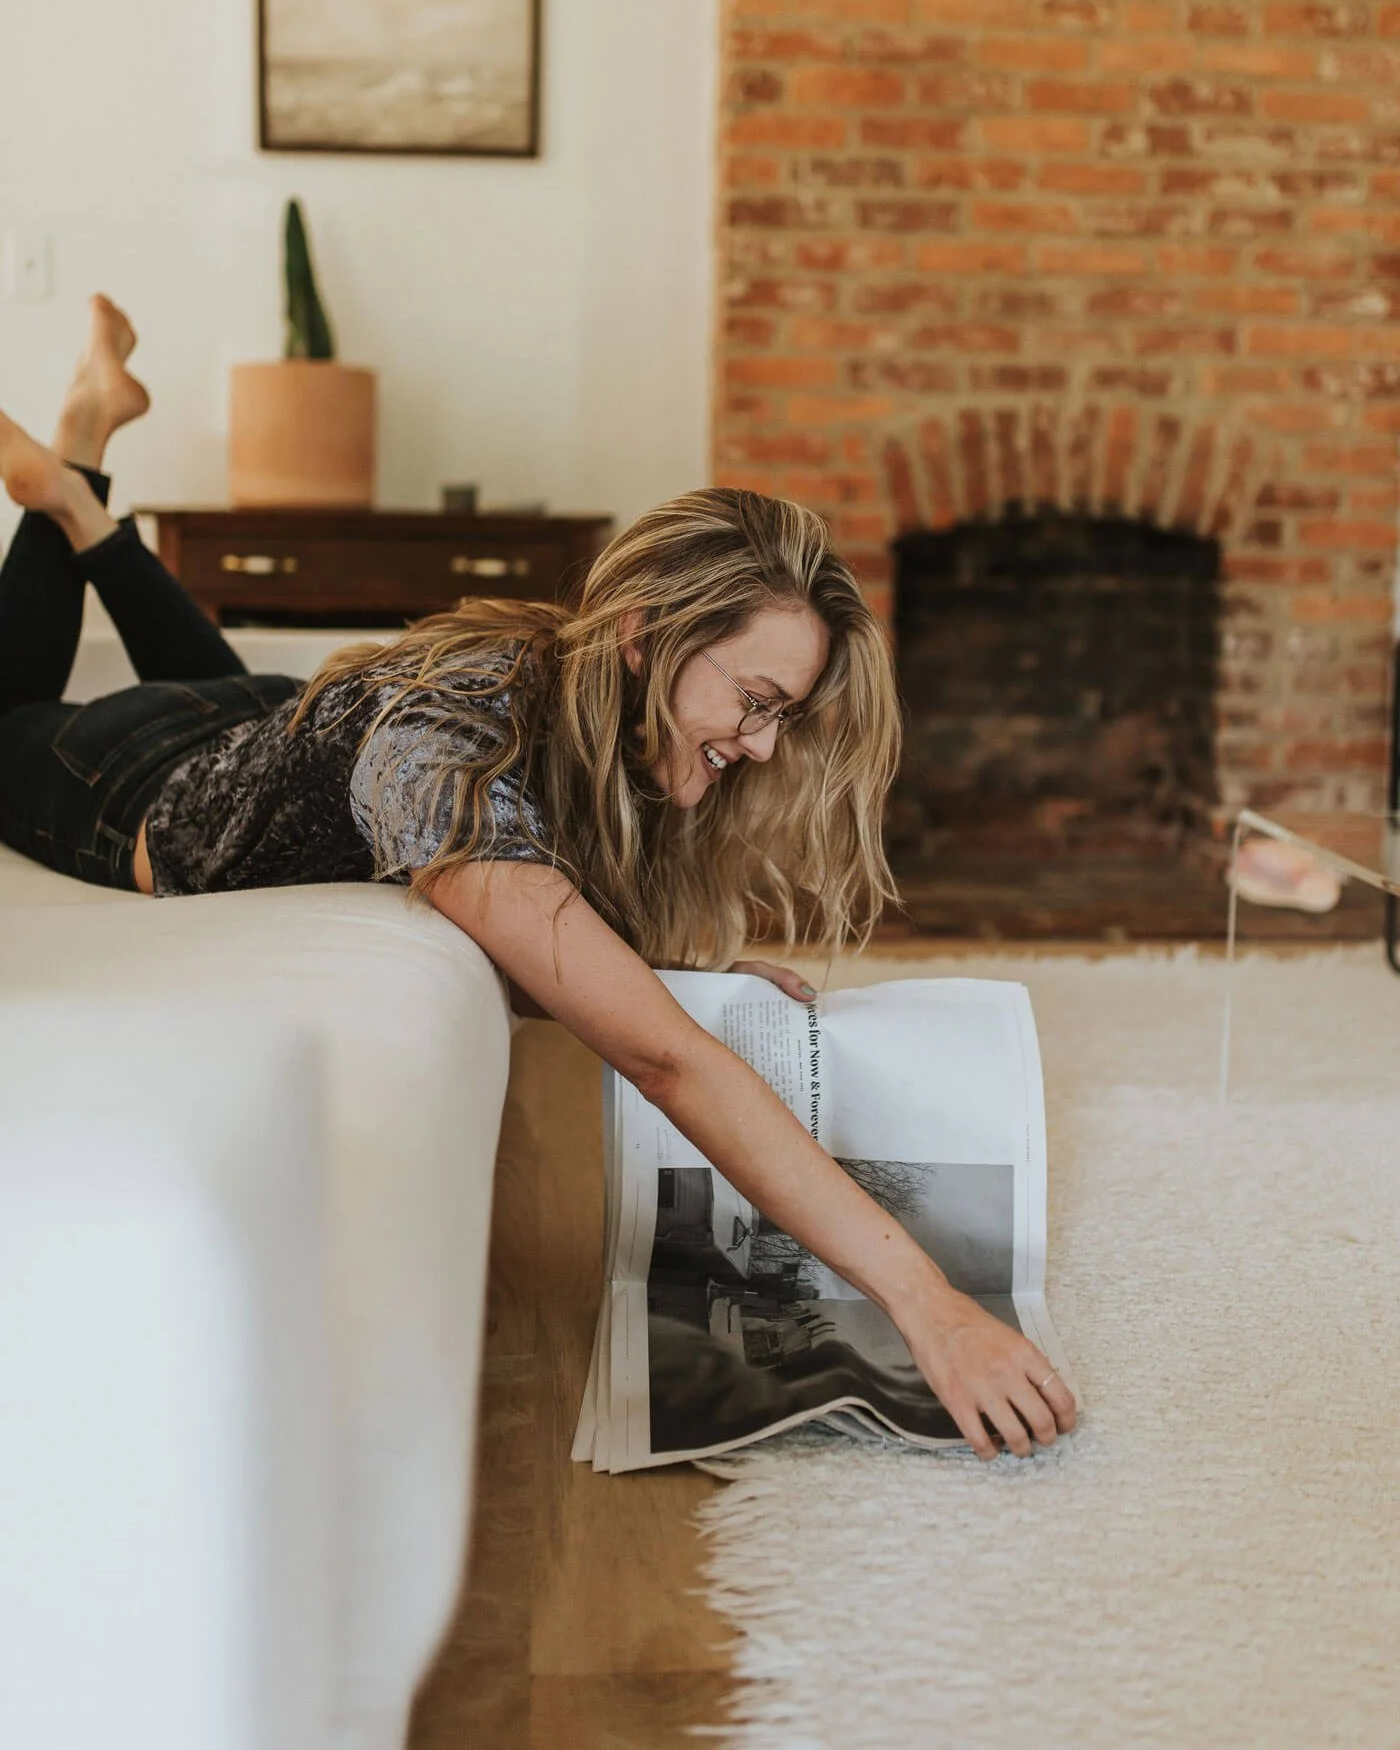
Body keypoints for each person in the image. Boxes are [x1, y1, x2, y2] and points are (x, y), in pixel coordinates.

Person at [0, 295, 1077, 1460]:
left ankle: (79, 485)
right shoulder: (445, 755)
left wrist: (673, 970)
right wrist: (929, 1307)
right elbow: (664, 1059)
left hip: (281, 733)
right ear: (642, 633)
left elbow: (561, 924)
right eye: (753, 704)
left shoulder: (574, 701)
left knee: (260, 701)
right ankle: (71, 476)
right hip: (134, 781)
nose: (764, 746)